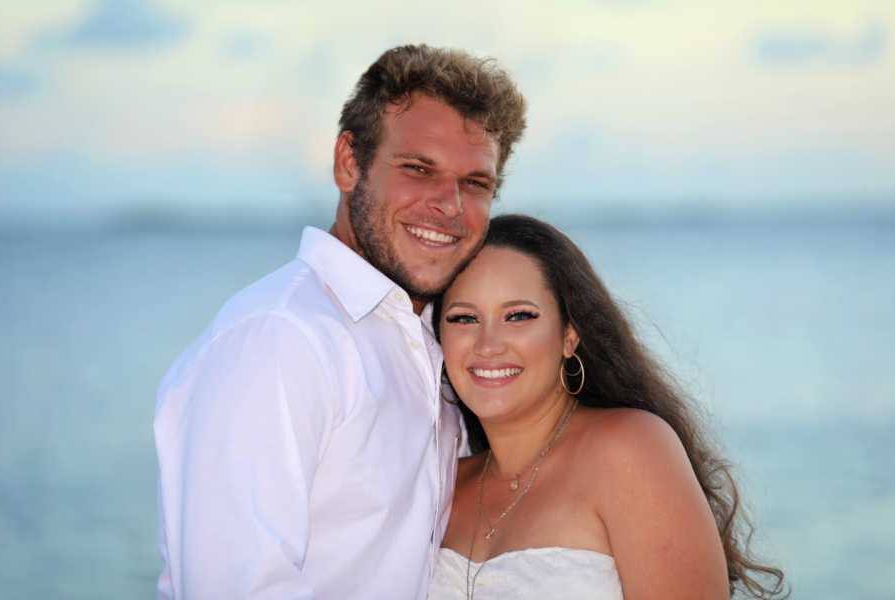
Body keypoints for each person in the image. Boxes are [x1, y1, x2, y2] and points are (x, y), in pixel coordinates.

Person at [153, 45, 526, 599]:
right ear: (348, 163)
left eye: (475, 183)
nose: (449, 205)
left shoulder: (429, 341)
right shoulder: (282, 340)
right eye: (418, 169)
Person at [427, 214, 787, 600]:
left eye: (518, 316)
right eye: (464, 318)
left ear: (569, 335)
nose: (488, 344)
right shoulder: (445, 481)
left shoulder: (630, 450)